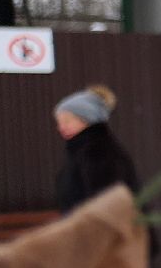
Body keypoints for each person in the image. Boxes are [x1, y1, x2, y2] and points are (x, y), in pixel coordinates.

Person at [54, 84, 142, 214]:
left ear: (87, 119)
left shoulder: (98, 153)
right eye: (59, 122)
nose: (61, 127)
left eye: (67, 121)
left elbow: (105, 205)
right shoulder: (80, 152)